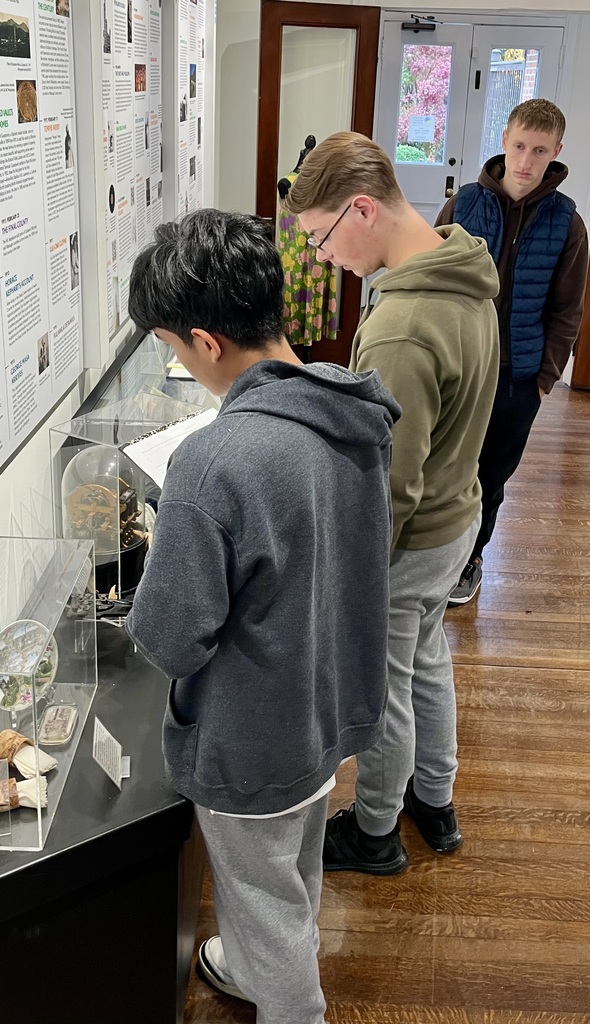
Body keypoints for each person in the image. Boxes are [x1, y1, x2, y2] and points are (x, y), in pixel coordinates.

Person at [125, 209, 399, 1024]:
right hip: (328, 700)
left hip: (255, 731)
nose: (180, 359)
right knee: (292, 872)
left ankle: (289, 1003)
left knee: (262, 901)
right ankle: (257, 971)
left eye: (174, 346)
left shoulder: (213, 461)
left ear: (206, 342)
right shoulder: (353, 411)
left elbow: (172, 636)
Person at [283, 132, 500, 872]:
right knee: (426, 657)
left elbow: (390, 483)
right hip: (457, 515)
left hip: (412, 537)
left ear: (362, 209)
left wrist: (355, 576)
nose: (320, 256)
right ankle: (433, 799)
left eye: (321, 236)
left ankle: (375, 829)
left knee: (384, 689)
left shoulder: (402, 328)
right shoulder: (464, 267)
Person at [437, 99, 588, 604]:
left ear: (556, 153)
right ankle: (430, 555)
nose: (526, 160)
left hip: (516, 377)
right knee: (442, 465)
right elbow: (429, 278)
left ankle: (470, 556)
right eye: (520, 146)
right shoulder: (463, 205)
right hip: (457, 366)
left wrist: (545, 379)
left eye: (539, 150)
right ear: (504, 141)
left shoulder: (568, 224)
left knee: (490, 474)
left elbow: (568, 310)